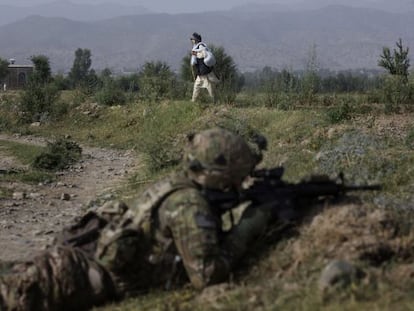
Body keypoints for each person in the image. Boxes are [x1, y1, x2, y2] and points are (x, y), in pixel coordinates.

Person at [0, 127, 279, 311]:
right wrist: (247, 228)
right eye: (239, 173)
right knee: (12, 295)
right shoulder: (188, 204)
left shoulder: (177, 185)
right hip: (72, 278)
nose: (243, 180)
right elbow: (206, 276)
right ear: (221, 173)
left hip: (79, 262)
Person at [190, 32, 219, 102]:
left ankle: (215, 102)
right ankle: (193, 101)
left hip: (205, 74)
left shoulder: (201, 47)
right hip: (200, 74)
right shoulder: (196, 48)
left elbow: (203, 54)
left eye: (192, 39)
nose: (191, 40)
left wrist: (195, 54)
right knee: (196, 87)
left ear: (195, 40)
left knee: (210, 89)